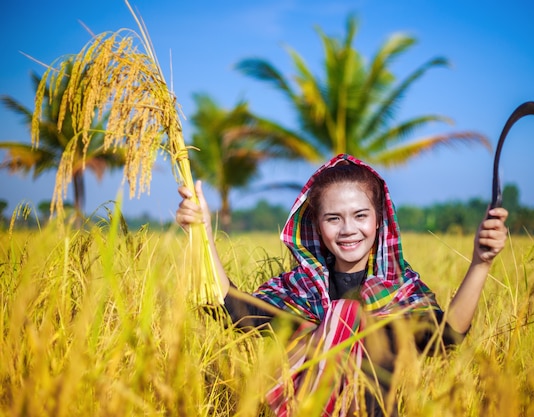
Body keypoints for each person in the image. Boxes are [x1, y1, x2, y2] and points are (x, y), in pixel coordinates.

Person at [176, 154, 508, 417]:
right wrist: (202, 232)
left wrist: (481, 262)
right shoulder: (299, 290)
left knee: (347, 313)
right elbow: (233, 312)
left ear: (378, 221)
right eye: (333, 218)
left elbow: (445, 338)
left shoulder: (400, 292)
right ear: (317, 226)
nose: (348, 229)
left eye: (360, 215)